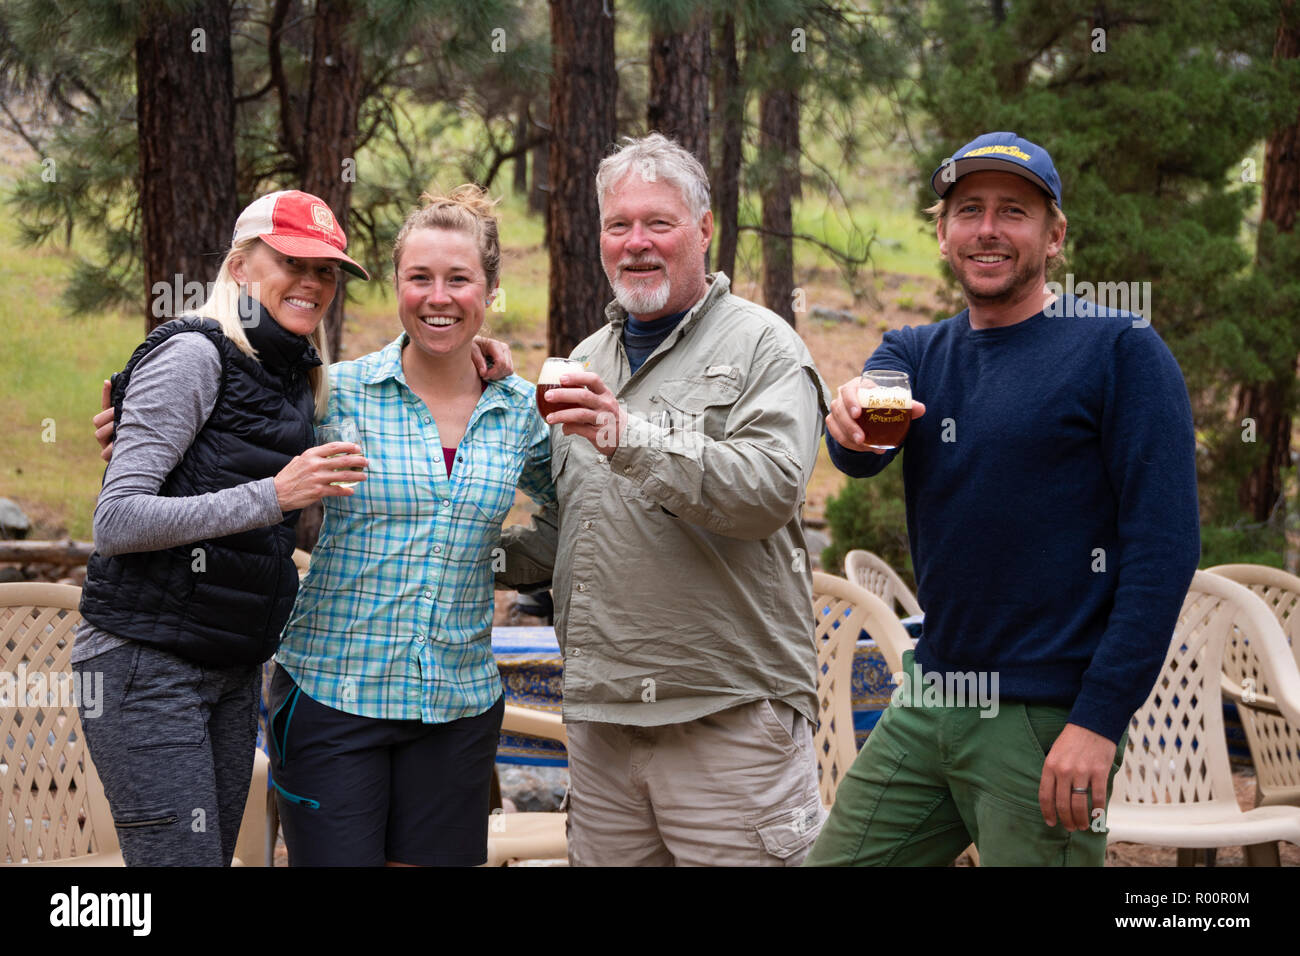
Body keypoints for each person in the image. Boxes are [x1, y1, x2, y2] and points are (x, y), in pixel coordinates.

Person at [805, 131, 1201, 866]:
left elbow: (1165, 550)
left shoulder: (1119, 349)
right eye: (968, 210)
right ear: (943, 233)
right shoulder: (915, 352)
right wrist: (854, 421)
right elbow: (867, 440)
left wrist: (1099, 721)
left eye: (1013, 211)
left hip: (1046, 722)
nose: (987, 229)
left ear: (1054, 236)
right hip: (930, 701)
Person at [498, 134, 831, 866]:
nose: (636, 244)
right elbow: (566, 535)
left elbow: (768, 492)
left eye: (659, 223)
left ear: (705, 229)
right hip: (602, 729)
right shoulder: (585, 360)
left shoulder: (763, 347)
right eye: (619, 226)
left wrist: (628, 437)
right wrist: (469, 548)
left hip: (729, 724)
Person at [72, 189, 373, 866]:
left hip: (231, 668)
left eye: (326, 270)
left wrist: (479, 356)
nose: (313, 282)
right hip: (146, 664)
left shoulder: (290, 375)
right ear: (240, 266)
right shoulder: (194, 355)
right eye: (292, 261)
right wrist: (274, 494)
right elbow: (117, 521)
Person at [266, 186, 556, 867]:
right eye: (419, 278)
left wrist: (493, 559)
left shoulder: (518, 410)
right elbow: (237, 457)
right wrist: (142, 432)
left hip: (455, 707)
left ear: (489, 289)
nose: (438, 297)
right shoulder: (336, 392)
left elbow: (574, 507)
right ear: (397, 285)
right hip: (334, 695)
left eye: (459, 279)